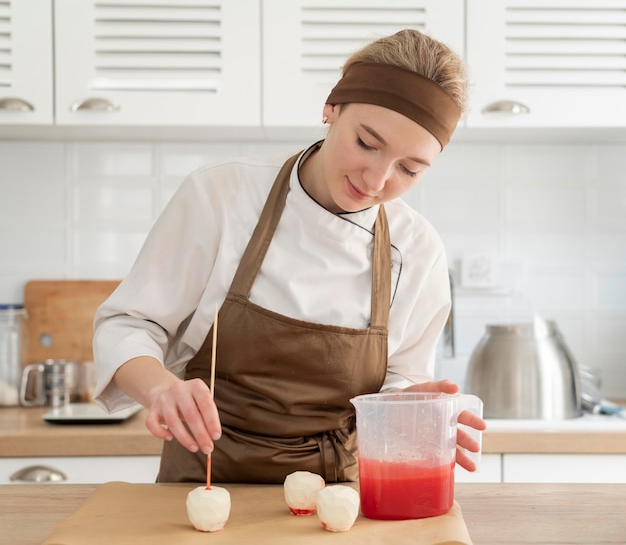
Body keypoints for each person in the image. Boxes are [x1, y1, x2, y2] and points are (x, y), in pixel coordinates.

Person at [93, 28, 487, 484]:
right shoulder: (222, 196)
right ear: (331, 109)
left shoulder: (418, 250)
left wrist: (407, 412)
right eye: (366, 143)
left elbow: (400, 378)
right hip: (201, 480)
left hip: (338, 497)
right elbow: (128, 324)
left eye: (409, 169)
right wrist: (161, 388)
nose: (377, 180)